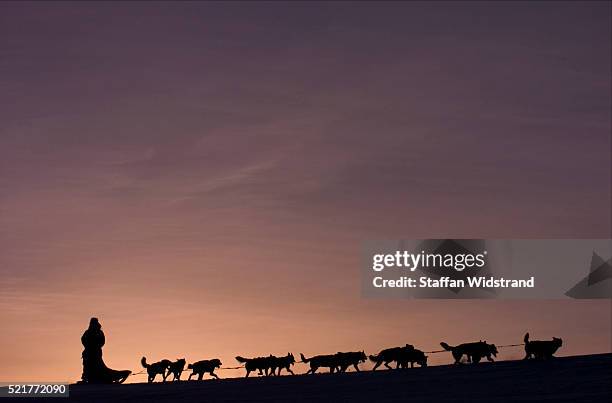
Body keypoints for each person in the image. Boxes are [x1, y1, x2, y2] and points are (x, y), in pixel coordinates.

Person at [80, 317, 131, 384]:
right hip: (89, 353)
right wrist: (89, 346)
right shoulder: (88, 332)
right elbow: (83, 340)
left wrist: (96, 346)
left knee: (98, 366)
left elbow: (102, 341)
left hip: (95, 353)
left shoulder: (98, 332)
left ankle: (101, 377)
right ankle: (89, 378)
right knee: (88, 365)